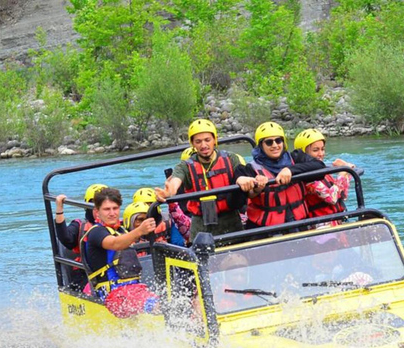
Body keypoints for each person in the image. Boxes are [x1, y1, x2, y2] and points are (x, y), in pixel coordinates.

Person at [157, 119, 261, 239]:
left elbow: (240, 175)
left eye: (207, 140)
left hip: (231, 220)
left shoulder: (231, 159)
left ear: (214, 140)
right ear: (193, 143)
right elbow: (175, 181)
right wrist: (169, 192)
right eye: (198, 141)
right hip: (200, 226)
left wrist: (246, 180)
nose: (204, 145)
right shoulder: (184, 166)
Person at [82, 187, 159, 318]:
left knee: (175, 299)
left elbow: (153, 221)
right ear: (97, 212)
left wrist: (162, 199)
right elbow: (115, 244)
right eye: (107, 209)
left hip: (136, 289)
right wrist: (140, 230)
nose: (112, 213)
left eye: (115, 208)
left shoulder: (121, 230)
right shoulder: (96, 232)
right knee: (158, 306)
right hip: (113, 295)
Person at [234, 122, 326, 228]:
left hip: (299, 224)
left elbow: (320, 167)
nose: (275, 145)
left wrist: (291, 170)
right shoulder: (249, 169)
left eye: (278, 141)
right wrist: (247, 184)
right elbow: (236, 201)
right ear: (261, 145)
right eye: (269, 142)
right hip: (266, 231)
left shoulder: (296, 158)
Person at [293, 129, 354, 223]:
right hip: (321, 226)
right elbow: (332, 198)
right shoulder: (308, 178)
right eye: (315, 150)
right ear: (303, 153)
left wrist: (346, 172)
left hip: (337, 221)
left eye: (322, 149)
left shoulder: (322, 171)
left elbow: (343, 195)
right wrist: (342, 172)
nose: (321, 154)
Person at [54, 183, 107, 290]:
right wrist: (59, 208)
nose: (99, 209)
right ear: (87, 206)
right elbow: (66, 238)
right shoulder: (79, 225)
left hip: (111, 271)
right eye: (95, 204)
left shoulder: (118, 226)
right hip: (85, 274)